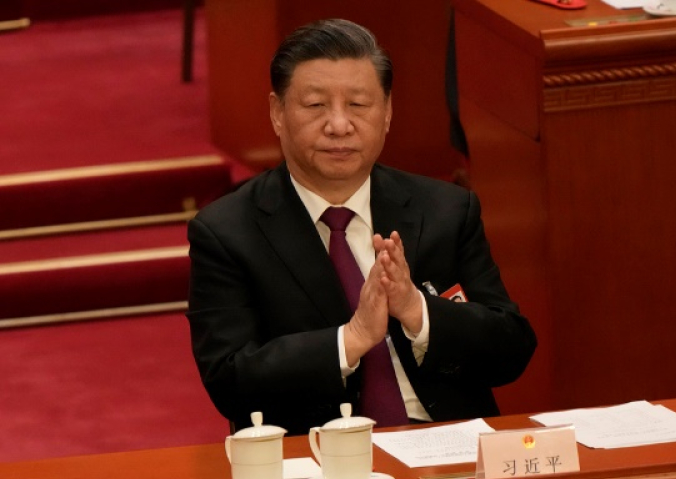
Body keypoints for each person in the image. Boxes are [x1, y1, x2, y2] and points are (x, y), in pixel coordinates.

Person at [187, 18, 536, 435]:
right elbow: (230, 380)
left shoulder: (444, 208)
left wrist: (417, 311)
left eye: (358, 104)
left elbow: (511, 350)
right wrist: (349, 340)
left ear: (387, 112)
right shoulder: (226, 231)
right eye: (316, 106)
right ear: (277, 113)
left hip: (447, 449)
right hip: (319, 465)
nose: (339, 125)